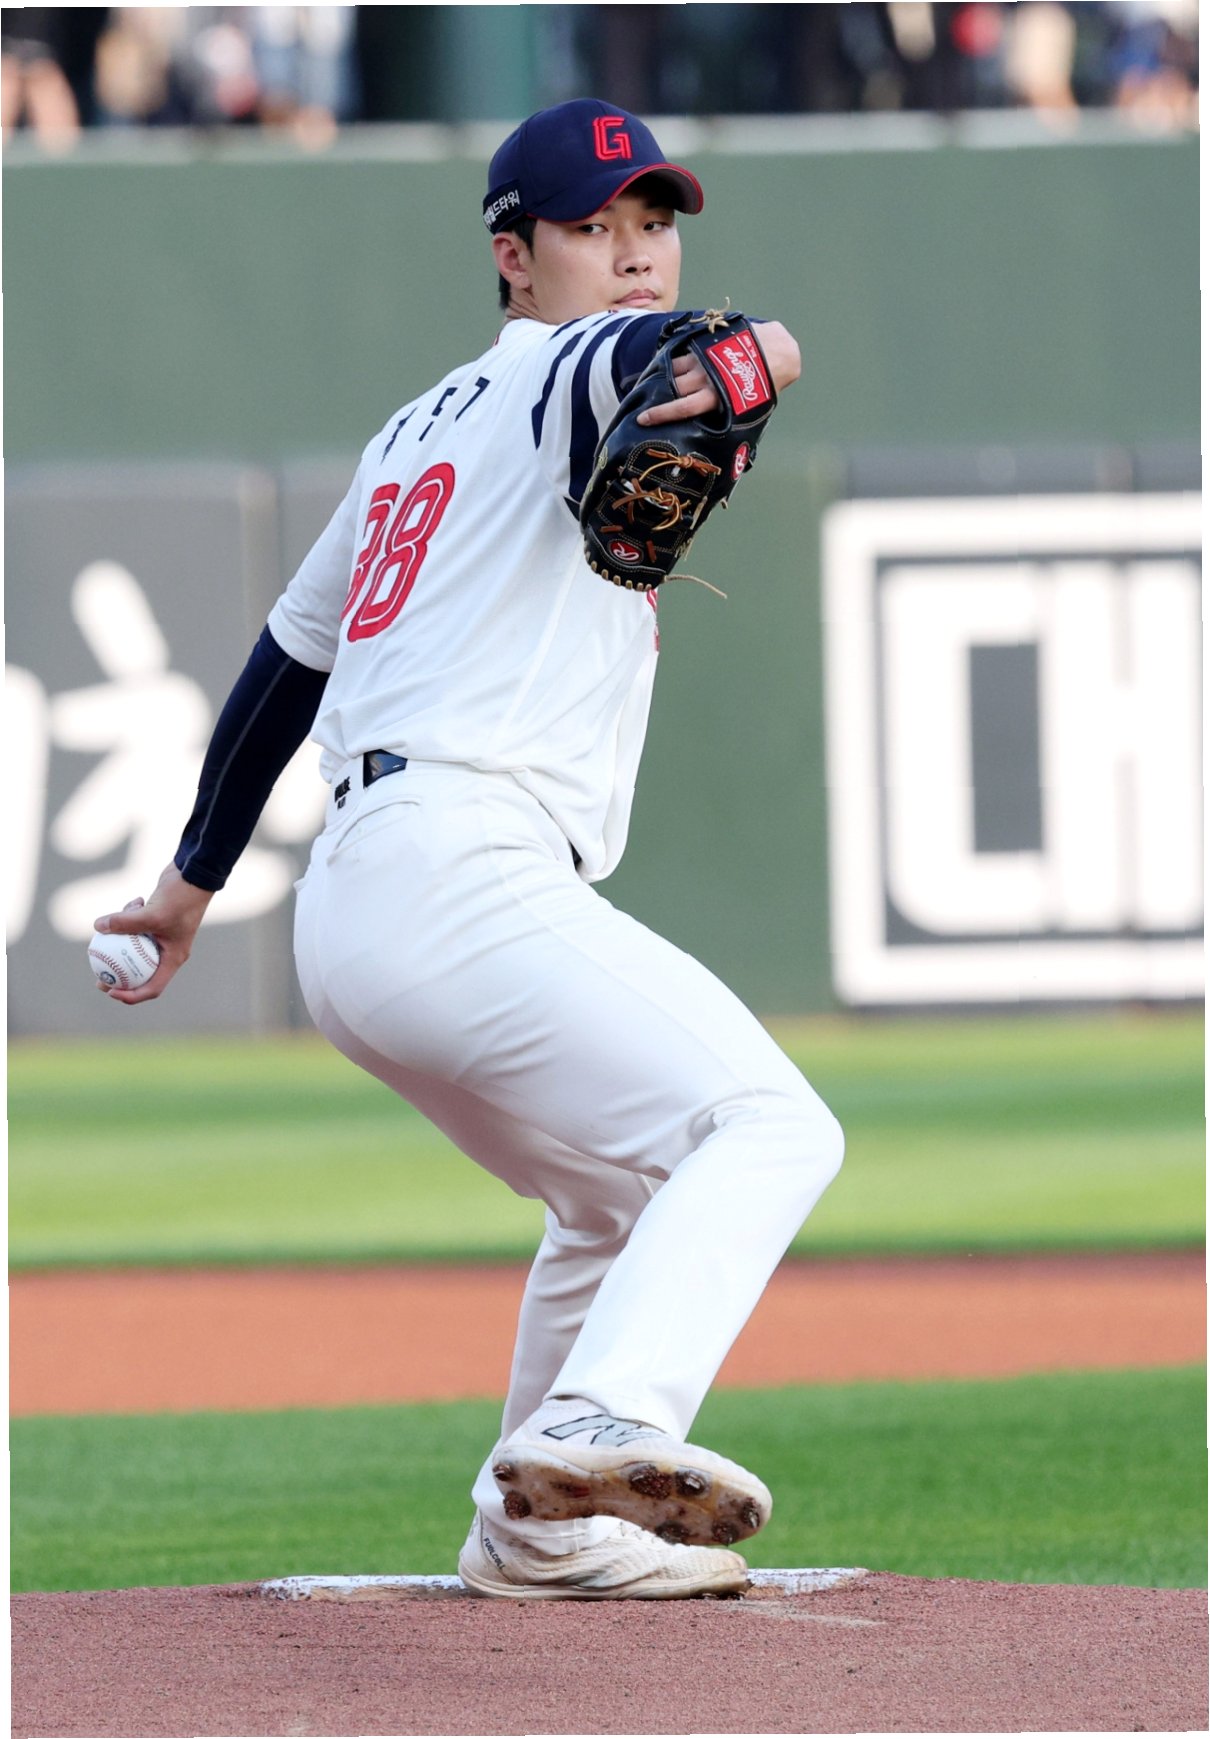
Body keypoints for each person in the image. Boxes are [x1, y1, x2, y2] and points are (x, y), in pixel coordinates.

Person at [94, 97, 845, 1601]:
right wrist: (751, 353)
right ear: (513, 255)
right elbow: (739, 351)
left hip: (362, 904)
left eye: (654, 222)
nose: (634, 253)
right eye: (591, 227)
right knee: (773, 1126)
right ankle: (606, 1415)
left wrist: (186, 890)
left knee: (610, 1202)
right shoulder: (577, 365)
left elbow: (286, 666)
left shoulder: (410, 432)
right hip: (460, 866)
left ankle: (541, 1535)